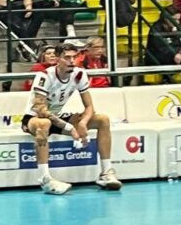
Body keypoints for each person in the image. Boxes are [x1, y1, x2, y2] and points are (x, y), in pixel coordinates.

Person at [21, 43, 123, 195]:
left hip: (57, 118)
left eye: (75, 57)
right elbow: (40, 109)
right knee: (44, 123)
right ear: (57, 59)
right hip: (34, 119)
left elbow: (89, 107)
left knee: (103, 119)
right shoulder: (44, 76)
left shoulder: (80, 74)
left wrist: (82, 123)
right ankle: (45, 179)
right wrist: (70, 128)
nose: (72, 61)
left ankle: (106, 173)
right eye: (67, 58)